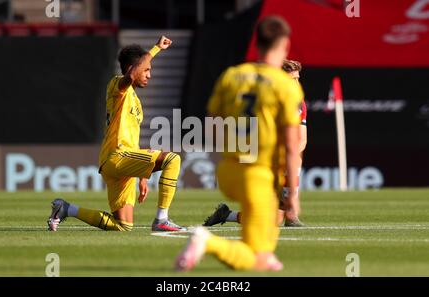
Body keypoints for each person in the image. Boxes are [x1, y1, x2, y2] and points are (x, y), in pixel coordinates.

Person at [175, 16, 303, 271]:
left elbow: (211, 122)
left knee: (267, 240)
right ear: (285, 45)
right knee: (255, 259)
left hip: (229, 170)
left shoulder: (232, 75)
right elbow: (292, 146)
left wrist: (229, 151)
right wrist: (292, 194)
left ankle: (267, 255)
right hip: (258, 175)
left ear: (257, 43)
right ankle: (206, 242)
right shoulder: (286, 86)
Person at [47, 36, 185, 232]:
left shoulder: (136, 102)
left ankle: (66, 208)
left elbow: (132, 138)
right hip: (117, 156)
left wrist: (142, 176)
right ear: (131, 69)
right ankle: (161, 219)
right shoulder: (117, 85)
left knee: (123, 226)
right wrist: (156, 49)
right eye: (146, 70)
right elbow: (129, 78)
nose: (149, 75)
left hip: (123, 162)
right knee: (173, 159)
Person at [203, 59, 307, 227]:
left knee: (274, 219)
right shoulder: (265, 99)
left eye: (298, 78)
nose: (296, 83)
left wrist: (288, 157)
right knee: (267, 219)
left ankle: (227, 214)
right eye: (291, 79)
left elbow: (302, 139)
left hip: (278, 159)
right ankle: (289, 213)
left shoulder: (298, 103)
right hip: (256, 158)